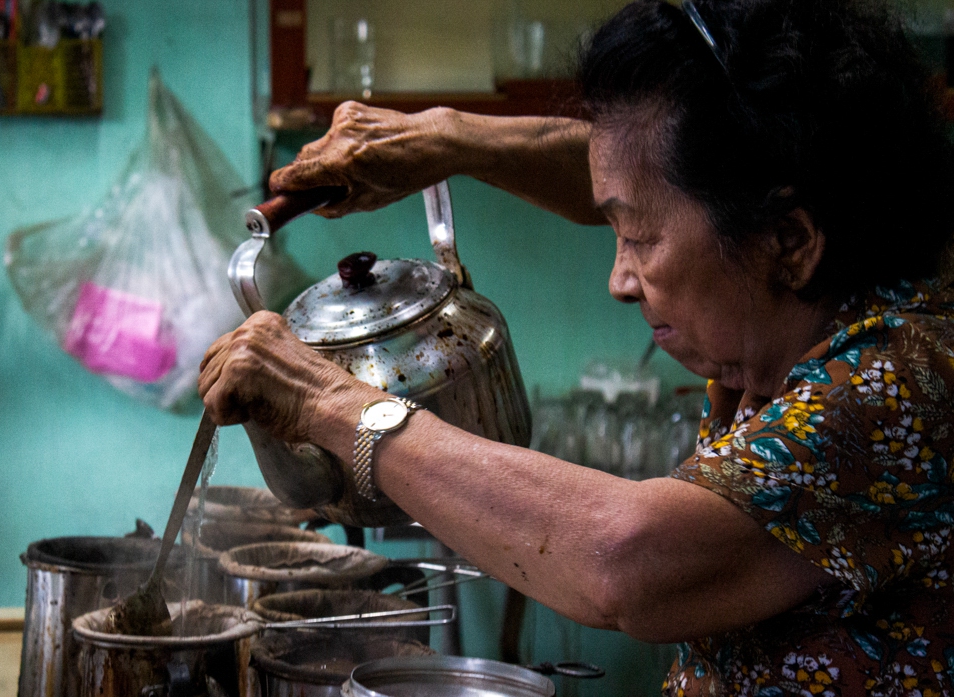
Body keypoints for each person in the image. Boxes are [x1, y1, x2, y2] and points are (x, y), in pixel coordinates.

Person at [199, 0, 954, 694]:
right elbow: (666, 173)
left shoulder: (896, 384)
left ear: (789, 239)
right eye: (616, 229)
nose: (620, 281)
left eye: (640, 238)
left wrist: (330, 401)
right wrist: (450, 140)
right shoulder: (824, 294)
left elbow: (623, 562)